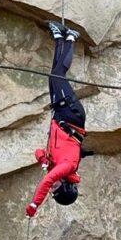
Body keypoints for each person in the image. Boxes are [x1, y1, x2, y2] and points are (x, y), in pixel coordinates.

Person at [25, 21, 88, 217]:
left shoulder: (56, 167)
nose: (52, 188)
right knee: (58, 75)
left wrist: (43, 159)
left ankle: (59, 37)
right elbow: (47, 182)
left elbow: (37, 152)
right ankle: (71, 38)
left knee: (53, 75)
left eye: (52, 191)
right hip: (70, 115)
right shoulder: (68, 167)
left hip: (61, 115)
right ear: (65, 186)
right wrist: (34, 205)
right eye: (56, 189)